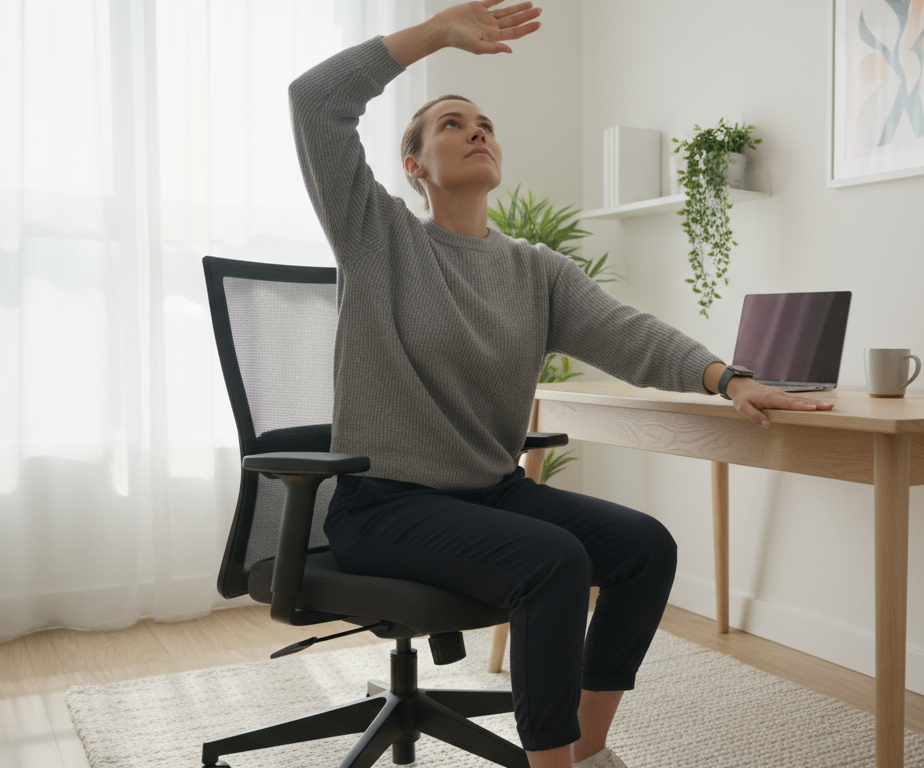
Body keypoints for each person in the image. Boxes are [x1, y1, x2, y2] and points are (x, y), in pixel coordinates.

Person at [289, 3, 835, 766]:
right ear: (413, 166)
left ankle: (587, 752)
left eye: (484, 122)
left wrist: (731, 378)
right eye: (451, 124)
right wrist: (438, 33)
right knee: (553, 560)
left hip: (491, 491)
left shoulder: (534, 270)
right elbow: (315, 101)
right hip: (385, 505)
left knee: (644, 548)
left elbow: (627, 333)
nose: (477, 129)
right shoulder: (378, 238)